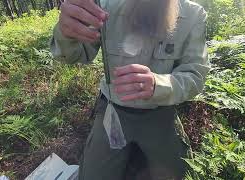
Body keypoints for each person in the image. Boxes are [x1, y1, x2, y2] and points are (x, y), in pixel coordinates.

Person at [50, 0, 210, 179]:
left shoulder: (193, 14)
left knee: (180, 173)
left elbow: (196, 75)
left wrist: (158, 85)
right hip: (113, 110)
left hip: (160, 113)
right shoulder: (104, 6)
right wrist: (66, 33)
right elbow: (75, 55)